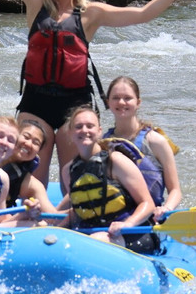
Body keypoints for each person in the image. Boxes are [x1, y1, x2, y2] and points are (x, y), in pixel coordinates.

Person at [0, 0, 196, 186]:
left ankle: (76, 219)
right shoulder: (35, 1)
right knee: (32, 178)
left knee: (73, 178)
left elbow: (142, 14)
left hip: (74, 104)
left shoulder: (92, 14)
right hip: (35, 100)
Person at [55, 105, 156, 253]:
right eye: (78, 127)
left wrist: (127, 224)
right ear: (70, 134)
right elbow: (79, 210)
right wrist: (54, 229)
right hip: (92, 232)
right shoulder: (68, 171)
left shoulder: (115, 161)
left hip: (130, 234)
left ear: (99, 131)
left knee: (94, 242)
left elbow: (147, 203)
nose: (84, 130)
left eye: (90, 126)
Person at [102, 75, 181, 221]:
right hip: (112, 218)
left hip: (147, 218)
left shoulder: (155, 142)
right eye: (116, 98)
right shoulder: (102, 143)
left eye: (127, 98)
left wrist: (166, 208)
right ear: (108, 102)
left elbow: (175, 190)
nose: (121, 102)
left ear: (138, 102)